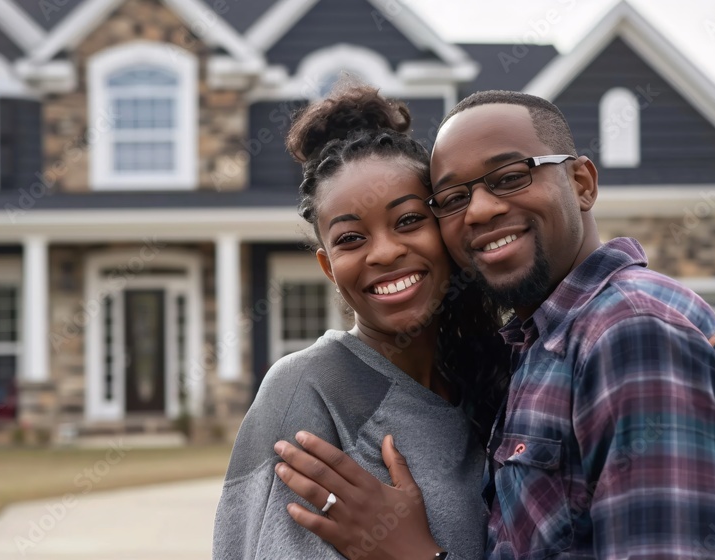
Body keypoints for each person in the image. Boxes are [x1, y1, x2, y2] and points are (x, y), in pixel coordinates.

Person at [274, 90, 715, 559]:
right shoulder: (533, 346)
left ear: (581, 183)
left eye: (511, 176)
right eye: (452, 198)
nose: (482, 210)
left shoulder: (632, 334)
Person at [212, 83, 511, 559]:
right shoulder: (307, 391)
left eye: (409, 221)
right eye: (351, 238)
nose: (386, 252)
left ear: (446, 231)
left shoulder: (493, 378)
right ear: (329, 267)